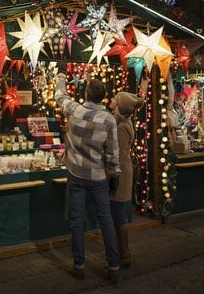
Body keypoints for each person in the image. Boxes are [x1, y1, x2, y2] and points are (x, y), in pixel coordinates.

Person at [55, 61, 121, 283]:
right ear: (103, 97)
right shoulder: (109, 120)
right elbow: (112, 154)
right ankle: (113, 266)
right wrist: (114, 176)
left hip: (76, 175)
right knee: (106, 220)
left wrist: (62, 74)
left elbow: (59, 96)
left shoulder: (74, 110)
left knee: (77, 220)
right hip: (99, 177)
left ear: (86, 93)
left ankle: (79, 265)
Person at [109, 92, 144, 268]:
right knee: (118, 213)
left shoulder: (121, 126)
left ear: (120, 106)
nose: (111, 100)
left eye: (115, 98)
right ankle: (121, 252)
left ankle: (124, 254)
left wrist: (112, 174)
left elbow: (119, 155)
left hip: (121, 173)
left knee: (119, 214)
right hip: (122, 171)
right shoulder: (118, 121)